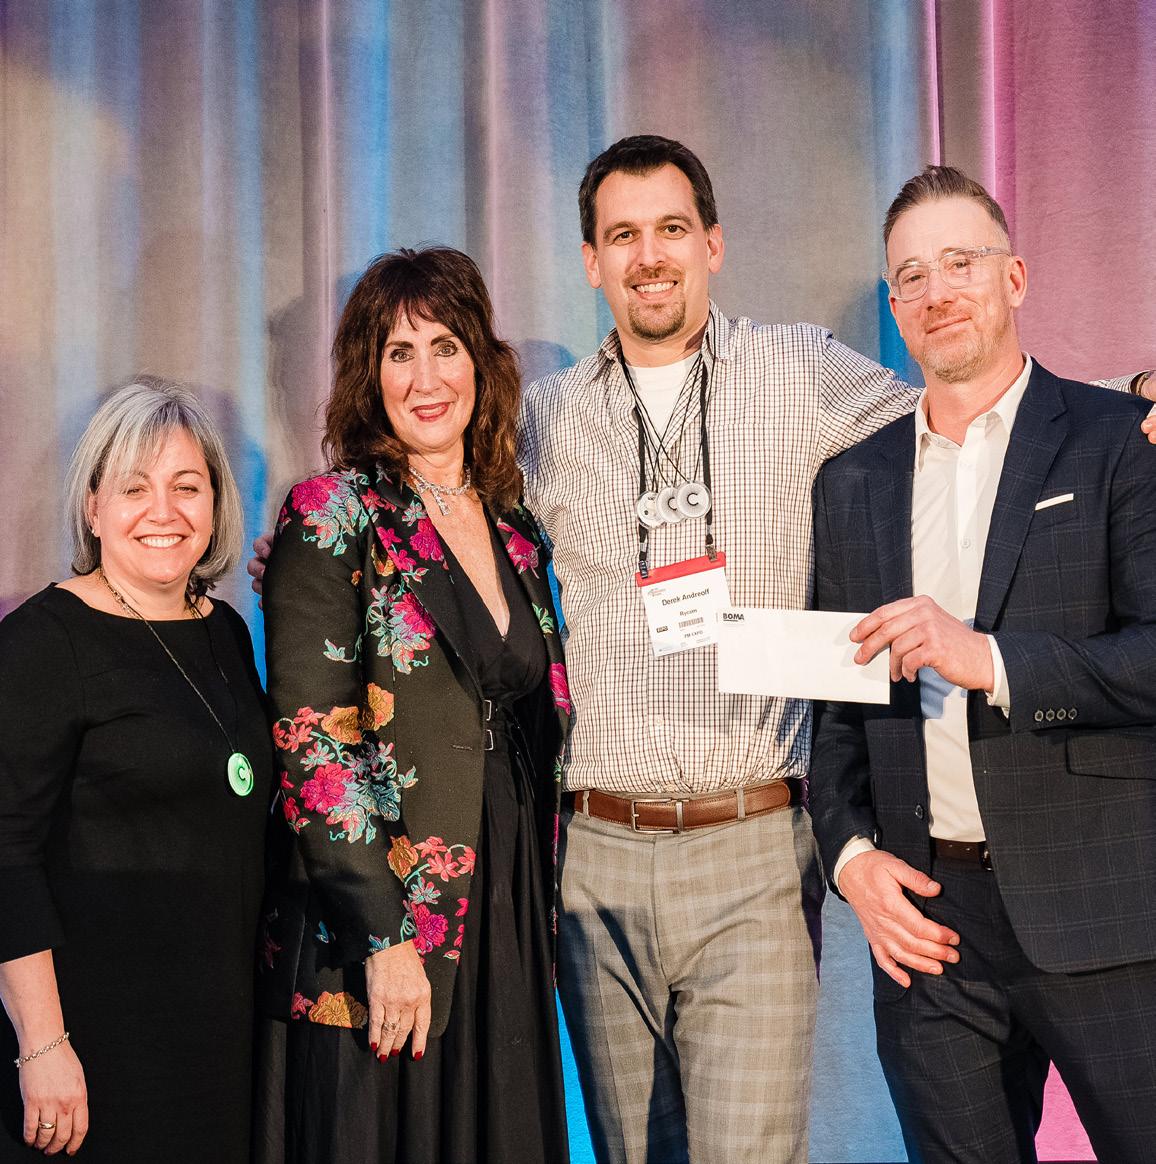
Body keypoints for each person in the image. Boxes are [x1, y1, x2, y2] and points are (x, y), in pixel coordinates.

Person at [246, 136, 1151, 1164]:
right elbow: (430, 525)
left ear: (712, 244)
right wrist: (317, 553)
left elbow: (969, 405)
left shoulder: (801, 371)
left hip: (753, 846)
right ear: (591, 261)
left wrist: (1131, 399)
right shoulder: (540, 422)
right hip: (592, 859)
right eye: (623, 235)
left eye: (671, 229)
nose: (650, 256)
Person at [809, 165, 1156, 1163]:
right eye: (911, 276)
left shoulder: (1120, 441)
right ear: (893, 308)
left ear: (1015, 277)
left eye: (960, 262)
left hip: (1106, 909)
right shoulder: (853, 480)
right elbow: (833, 711)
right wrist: (852, 859)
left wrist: (991, 660)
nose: (937, 292)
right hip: (930, 929)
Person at [254, 246, 571, 1164]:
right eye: (399, 353)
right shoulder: (333, 513)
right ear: (370, 374)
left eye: (445, 347)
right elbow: (315, 743)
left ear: (481, 363)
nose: (426, 378)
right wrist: (384, 938)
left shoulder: (518, 529)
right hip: (379, 921)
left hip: (505, 902)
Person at [0, 380, 271, 1162]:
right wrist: (43, 1045)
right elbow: (6, 855)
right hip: (94, 1050)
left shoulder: (224, 630)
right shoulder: (42, 643)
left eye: (187, 487)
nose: (163, 511)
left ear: (215, 504)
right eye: (133, 488)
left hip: (218, 1038)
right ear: (93, 507)